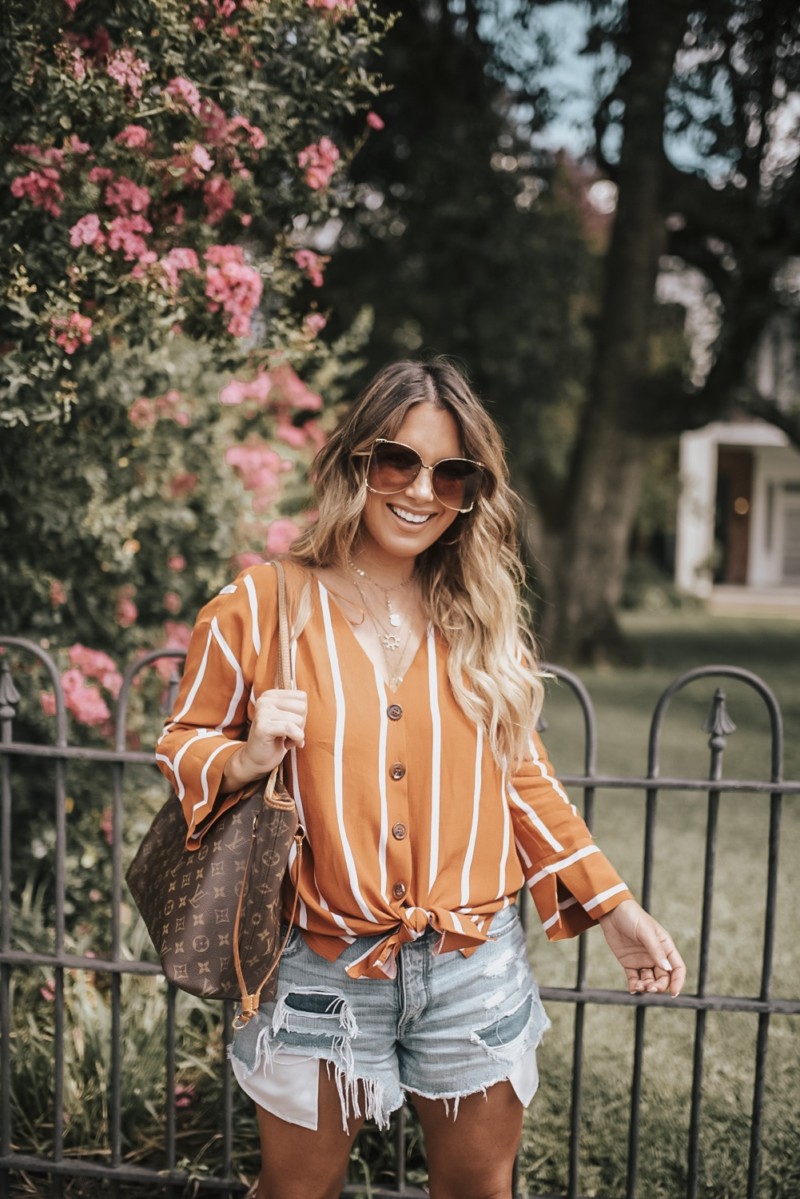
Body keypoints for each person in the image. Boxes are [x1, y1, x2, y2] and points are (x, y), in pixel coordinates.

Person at [157, 358, 686, 1199]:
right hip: (320, 967)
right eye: (398, 461)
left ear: (474, 489)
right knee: (296, 1192)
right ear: (356, 462)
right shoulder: (262, 605)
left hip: (475, 966)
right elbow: (183, 739)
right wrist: (245, 756)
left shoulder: (481, 613)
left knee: (480, 1190)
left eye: (452, 472)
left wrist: (613, 905)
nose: (420, 490)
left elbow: (524, 779)